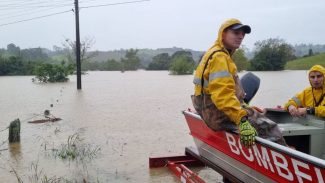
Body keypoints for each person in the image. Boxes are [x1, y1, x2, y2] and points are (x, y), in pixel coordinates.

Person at [191, 18, 287, 147]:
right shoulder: (220, 57)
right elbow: (223, 96)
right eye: (236, 33)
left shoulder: (214, 53)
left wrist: (245, 108)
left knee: (258, 114)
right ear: (223, 34)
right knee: (270, 128)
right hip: (218, 114)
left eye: (243, 34)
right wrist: (242, 120)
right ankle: (287, 160)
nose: (241, 37)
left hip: (209, 109)